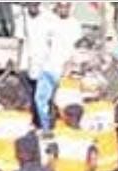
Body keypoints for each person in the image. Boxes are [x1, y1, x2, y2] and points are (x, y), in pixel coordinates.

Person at [35, 2, 84, 131]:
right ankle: (46, 129)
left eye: (66, 6)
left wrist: (72, 67)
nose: (63, 8)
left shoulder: (75, 25)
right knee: (41, 100)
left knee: (62, 104)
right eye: (60, 5)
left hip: (65, 73)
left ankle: (65, 129)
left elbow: (78, 50)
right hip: (48, 69)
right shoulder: (49, 22)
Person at [18, 2, 51, 121]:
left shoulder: (48, 18)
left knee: (43, 96)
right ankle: (33, 122)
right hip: (27, 64)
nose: (32, 6)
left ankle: (44, 122)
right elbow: (20, 42)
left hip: (44, 63)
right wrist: (19, 65)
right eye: (30, 4)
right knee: (29, 97)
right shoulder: (22, 18)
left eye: (35, 4)